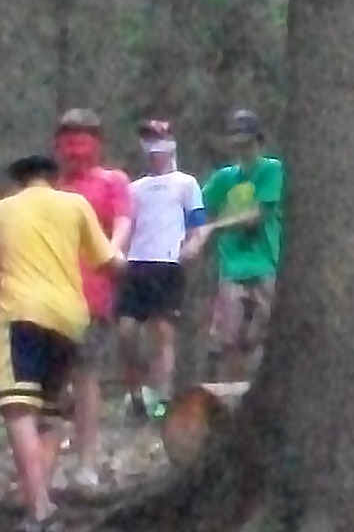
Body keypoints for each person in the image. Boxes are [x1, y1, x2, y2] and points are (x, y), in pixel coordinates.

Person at [0, 153, 121, 532]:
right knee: (48, 418)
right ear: (53, 179)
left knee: (18, 411)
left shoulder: (1, 211)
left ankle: (42, 516)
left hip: (21, 314)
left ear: (19, 181)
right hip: (69, 320)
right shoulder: (75, 205)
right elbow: (111, 263)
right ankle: (36, 514)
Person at [51, 107, 134, 492]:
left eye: (83, 139)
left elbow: (122, 222)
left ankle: (86, 463)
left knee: (85, 377)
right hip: (50, 294)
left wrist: (113, 252)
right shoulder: (52, 187)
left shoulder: (112, 181)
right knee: (51, 381)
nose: (75, 149)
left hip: (92, 293)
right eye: (68, 140)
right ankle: (48, 464)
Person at [116, 119, 207, 420]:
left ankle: (161, 397)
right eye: (149, 146)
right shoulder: (135, 188)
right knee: (127, 332)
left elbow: (197, 224)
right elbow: (127, 225)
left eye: (159, 145)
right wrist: (118, 252)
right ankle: (135, 393)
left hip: (167, 264)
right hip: (136, 264)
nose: (154, 152)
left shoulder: (186, 184)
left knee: (162, 332)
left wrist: (193, 245)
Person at [198, 107, 285, 382]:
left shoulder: (271, 170)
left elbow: (257, 215)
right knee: (228, 338)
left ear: (258, 141)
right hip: (233, 268)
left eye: (247, 144)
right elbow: (198, 206)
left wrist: (214, 227)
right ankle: (230, 392)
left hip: (265, 264)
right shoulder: (224, 178)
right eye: (236, 145)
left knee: (258, 335)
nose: (242, 151)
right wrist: (194, 234)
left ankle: (255, 390)